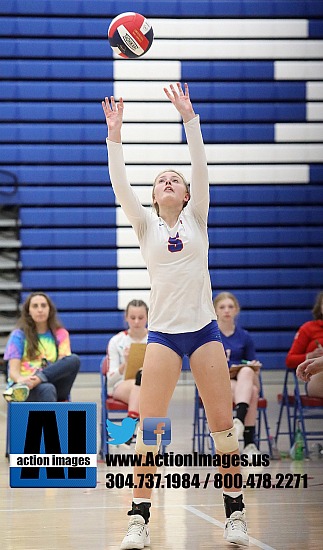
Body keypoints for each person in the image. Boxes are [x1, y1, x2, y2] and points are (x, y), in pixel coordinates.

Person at [102, 83, 249, 549]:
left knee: (224, 433)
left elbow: (201, 165)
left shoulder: (198, 217)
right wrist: (115, 135)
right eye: (161, 179)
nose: (169, 180)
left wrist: (190, 118)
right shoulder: (143, 224)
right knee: (150, 434)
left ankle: (236, 516)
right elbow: (119, 184)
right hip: (164, 337)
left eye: (175, 179)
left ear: (186, 195)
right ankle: (139, 521)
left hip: (204, 333)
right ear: (152, 196)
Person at [3, 292, 80, 402]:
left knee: (74, 360)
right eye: (35, 306)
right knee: (47, 389)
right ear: (28, 311)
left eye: (43, 305)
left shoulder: (61, 334)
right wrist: (23, 380)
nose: (40, 310)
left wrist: (38, 378)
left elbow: (61, 365)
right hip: (24, 387)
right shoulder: (18, 335)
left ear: (50, 310)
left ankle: (38, 379)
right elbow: (13, 372)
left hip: (52, 380)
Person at [213, 292, 262, 460]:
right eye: (222, 307)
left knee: (248, 374)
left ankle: (239, 421)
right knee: (252, 393)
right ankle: (249, 442)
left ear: (236, 310)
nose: (226, 310)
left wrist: (253, 367)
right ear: (215, 311)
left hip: (241, 382)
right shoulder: (211, 336)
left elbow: (252, 365)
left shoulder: (244, 336)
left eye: (230, 307)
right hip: (219, 382)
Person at [106, 299, 148, 442]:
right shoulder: (116, 341)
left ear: (147, 318)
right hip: (121, 385)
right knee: (141, 383)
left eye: (141, 318)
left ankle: (130, 422)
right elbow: (110, 379)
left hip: (150, 386)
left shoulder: (155, 340)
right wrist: (125, 363)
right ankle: (148, 441)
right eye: (132, 318)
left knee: (142, 379)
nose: (136, 322)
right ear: (126, 318)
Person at [288, 291, 323, 398]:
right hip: (317, 377)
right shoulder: (308, 328)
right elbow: (290, 360)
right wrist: (310, 356)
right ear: (320, 307)